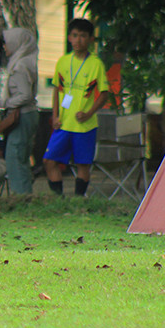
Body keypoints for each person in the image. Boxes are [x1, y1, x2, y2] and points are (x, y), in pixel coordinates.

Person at [43, 18, 109, 197]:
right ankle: (59, 200)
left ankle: (79, 201)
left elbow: (104, 94)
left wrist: (89, 113)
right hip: (63, 124)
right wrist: (55, 116)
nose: (78, 40)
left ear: (90, 40)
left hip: (85, 125)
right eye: (75, 35)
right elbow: (57, 90)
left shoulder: (96, 64)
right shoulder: (63, 62)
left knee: (83, 164)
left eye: (83, 36)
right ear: (69, 38)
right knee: (49, 160)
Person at [0, 28, 40, 194]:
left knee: (15, 157)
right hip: (28, 114)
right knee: (21, 156)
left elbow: (25, 95)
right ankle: (24, 194)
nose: (4, 47)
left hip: (23, 115)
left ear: (16, 43)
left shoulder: (20, 65)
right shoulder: (24, 61)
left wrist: (3, 103)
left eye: (6, 43)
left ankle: (21, 197)